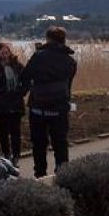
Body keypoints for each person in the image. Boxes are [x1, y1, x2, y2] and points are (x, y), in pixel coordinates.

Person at [19, 26, 77, 178]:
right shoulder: (70, 61)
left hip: (38, 108)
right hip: (60, 108)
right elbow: (68, 85)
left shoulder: (38, 57)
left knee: (38, 145)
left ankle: (40, 176)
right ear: (64, 40)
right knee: (60, 144)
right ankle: (63, 175)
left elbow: (24, 76)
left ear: (48, 39)